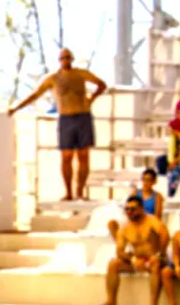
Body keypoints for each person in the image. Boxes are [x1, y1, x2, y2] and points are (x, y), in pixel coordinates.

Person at [8, 48, 108, 201]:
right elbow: (35, 94)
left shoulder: (81, 74)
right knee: (66, 156)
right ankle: (69, 192)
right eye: (63, 58)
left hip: (83, 115)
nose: (66, 60)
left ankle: (80, 192)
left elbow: (101, 84)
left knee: (83, 155)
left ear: (72, 59)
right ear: (59, 60)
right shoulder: (53, 78)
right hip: (66, 118)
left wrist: (91, 98)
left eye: (68, 57)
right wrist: (16, 107)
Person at [94, 194, 170, 305]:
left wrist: (159, 254)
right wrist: (132, 259)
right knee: (113, 264)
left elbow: (165, 235)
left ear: (141, 209)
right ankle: (111, 302)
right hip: (137, 260)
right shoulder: (125, 228)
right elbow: (119, 251)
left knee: (155, 263)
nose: (129, 212)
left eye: (133, 209)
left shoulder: (152, 221)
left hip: (154, 259)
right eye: (127, 209)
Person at [107, 168, 164, 241]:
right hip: (133, 219)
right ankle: (121, 244)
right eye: (144, 180)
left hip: (147, 223)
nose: (145, 183)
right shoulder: (135, 193)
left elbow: (157, 216)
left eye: (148, 180)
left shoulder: (157, 196)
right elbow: (128, 208)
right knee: (112, 224)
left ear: (154, 182)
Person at [155, 100, 180, 197]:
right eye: (178, 112)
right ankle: (162, 187)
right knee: (160, 161)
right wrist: (172, 160)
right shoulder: (175, 126)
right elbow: (171, 145)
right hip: (177, 158)